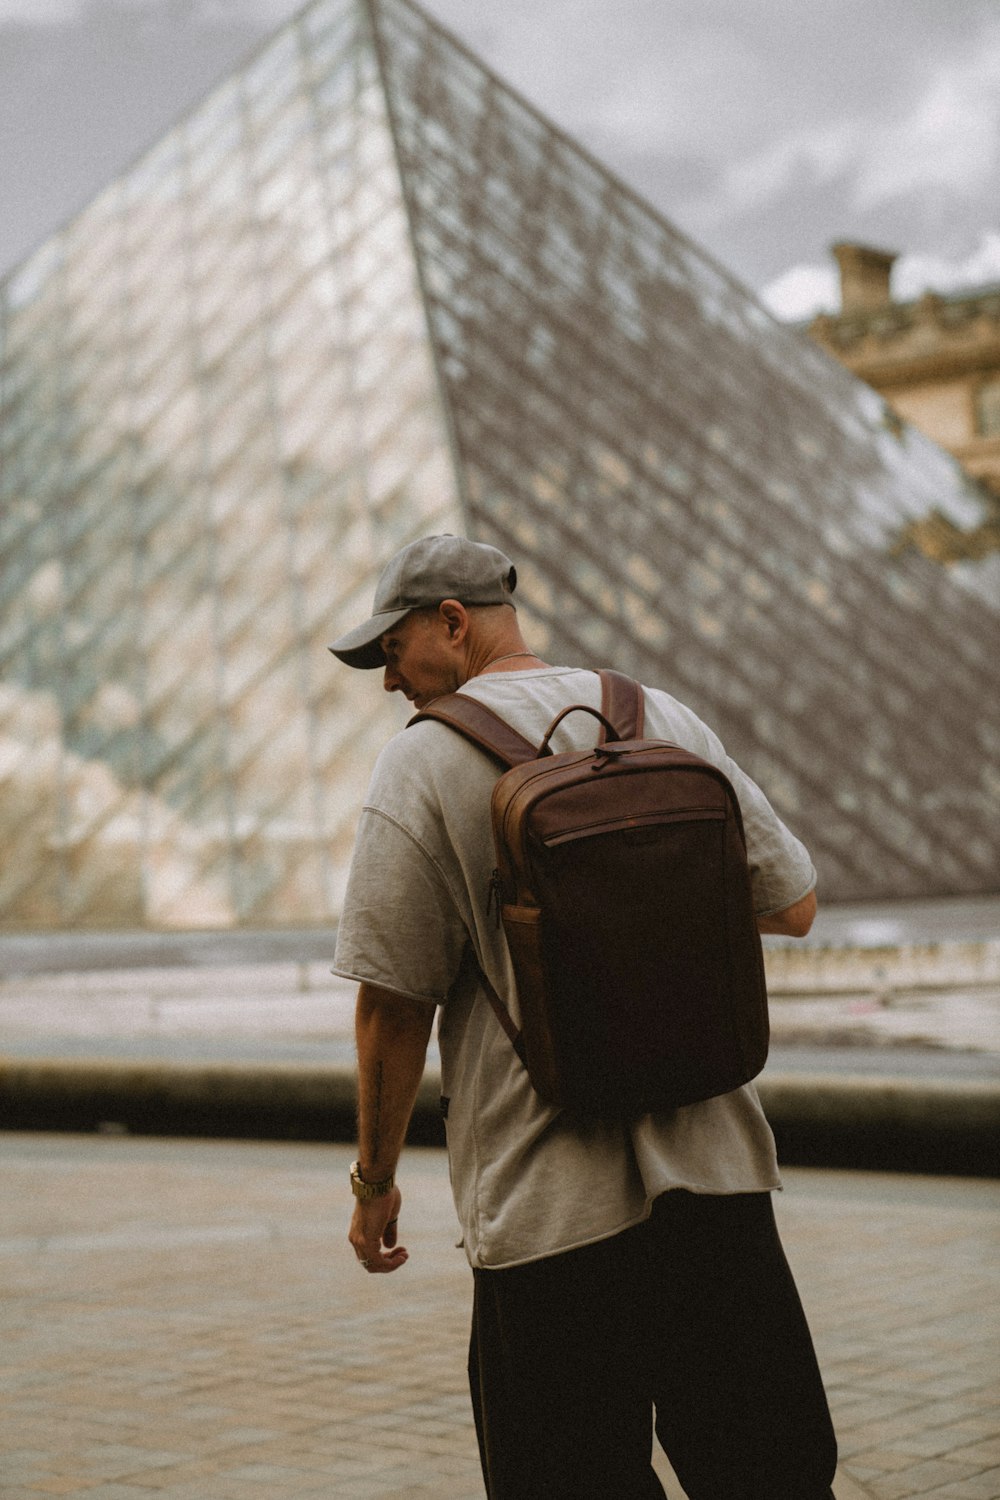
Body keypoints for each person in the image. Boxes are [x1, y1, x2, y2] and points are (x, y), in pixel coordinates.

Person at [329, 533, 838, 1500]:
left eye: (392, 650)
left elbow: (392, 1006)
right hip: (717, 1182)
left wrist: (373, 1182)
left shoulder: (424, 766)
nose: (388, 679)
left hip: (545, 1211)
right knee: (768, 1473)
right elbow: (793, 904)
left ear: (451, 622)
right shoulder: (659, 721)